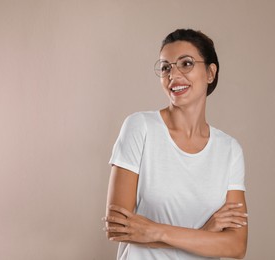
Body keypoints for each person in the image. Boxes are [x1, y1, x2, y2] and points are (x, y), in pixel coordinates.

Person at [103, 29, 248, 259]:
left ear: (210, 73)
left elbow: (236, 247)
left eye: (186, 64)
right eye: (165, 67)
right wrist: (204, 234)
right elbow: (117, 227)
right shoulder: (140, 128)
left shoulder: (229, 151)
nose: (173, 75)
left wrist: (154, 231)